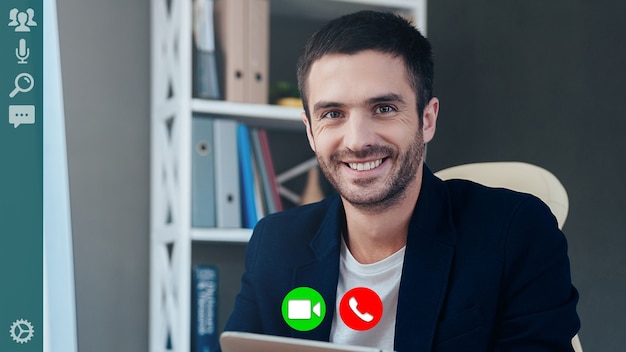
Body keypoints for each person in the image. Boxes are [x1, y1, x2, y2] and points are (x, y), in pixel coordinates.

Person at [223, 10, 580, 352]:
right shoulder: (276, 243)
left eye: (384, 108)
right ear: (311, 132)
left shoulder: (516, 232)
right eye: (333, 114)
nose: (357, 141)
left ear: (427, 119)